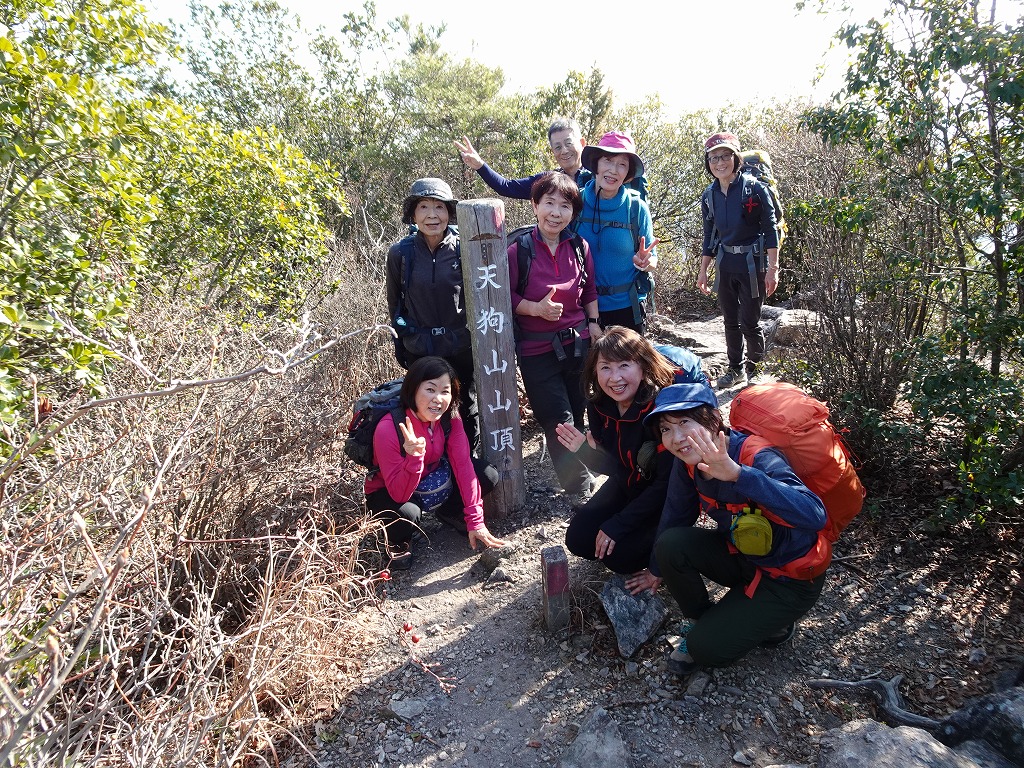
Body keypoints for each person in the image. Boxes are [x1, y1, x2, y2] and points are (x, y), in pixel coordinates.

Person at [646, 383, 827, 674]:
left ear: (714, 420)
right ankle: (705, 620)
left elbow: (815, 515)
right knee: (669, 544)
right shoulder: (688, 461)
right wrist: (656, 569)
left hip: (788, 580)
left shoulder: (757, 456)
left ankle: (775, 624)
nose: (676, 438)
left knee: (706, 650)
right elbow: (675, 514)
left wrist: (737, 475)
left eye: (684, 422)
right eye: (666, 429)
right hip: (744, 556)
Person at [557, 327, 677, 595]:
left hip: (664, 498)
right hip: (626, 484)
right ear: (595, 371)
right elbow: (615, 467)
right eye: (605, 368)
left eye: (624, 365)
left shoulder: (661, 411)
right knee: (578, 539)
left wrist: (619, 523)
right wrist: (584, 451)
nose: (615, 378)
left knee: (620, 557)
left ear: (643, 367)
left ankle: (668, 553)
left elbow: (666, 484)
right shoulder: (600, 405)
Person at [364, 356, 506, 569]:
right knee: (407, 514)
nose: (438, 399)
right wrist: (414, 457)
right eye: (430, 389)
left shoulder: (450, 418)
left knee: (486, 475)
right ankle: (398, 539)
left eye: (445, 391)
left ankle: (450, 512)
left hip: (429, 476)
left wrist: (475, 520)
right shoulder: (389, 428)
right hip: (390, 490)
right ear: (413, 389)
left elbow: (463, 466)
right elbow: (398, 494)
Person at [508, 172, 600, 496]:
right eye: (549, 203)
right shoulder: (518, 250)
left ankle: (582, 471)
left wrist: (594, 323)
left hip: (578, 345)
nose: (556, 213)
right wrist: (536, 309)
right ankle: (579, 488)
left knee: (578, 412)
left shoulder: (579, 247)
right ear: (535, 205)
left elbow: (589, 290)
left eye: (565, 206)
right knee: (559, 420)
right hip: (537, 351)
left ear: (573, 212)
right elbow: (504, 296)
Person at [387, 178, 479, 450]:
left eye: (439, 207)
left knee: (465, 406)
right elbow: (395, 305)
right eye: (424, 207)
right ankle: (432, 462)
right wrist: (402, 342)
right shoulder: (401, 254)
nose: (432, 215)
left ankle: (468, 460)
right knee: (425, 409)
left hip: (460, 347)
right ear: (413, 214)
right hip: (421, 347)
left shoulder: (464, 248)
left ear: (449, 212)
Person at [697, 132, 780, 389]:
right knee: (730, 321)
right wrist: (703, 270)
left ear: (736, 158)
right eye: (713, 158)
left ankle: (755, 370)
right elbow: (709, 235)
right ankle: (736, 369)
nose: (719, 163)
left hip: (752, 264)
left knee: (750, 322)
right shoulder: (709, 195)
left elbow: (770, 230)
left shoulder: (755, 189)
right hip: (726, 263)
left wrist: (773, 269)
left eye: (724, 156)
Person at [575, 132, 658, 335]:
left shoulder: (636, 208)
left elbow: (652, 260)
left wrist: (646, 262)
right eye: (608, 160)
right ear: (596, 164)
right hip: (582, 307)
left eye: (622, 164)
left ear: (628, 172)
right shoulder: (576, 203)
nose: (613, 170)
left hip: (627, 308)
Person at [454, 118, 648, 200]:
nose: (564, 151)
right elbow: (507, 187)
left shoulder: (603, 176)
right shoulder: (549, 181)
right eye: (557, 147)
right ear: (552, 151)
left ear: (582, 143)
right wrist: (480, 165)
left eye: (568, 143)